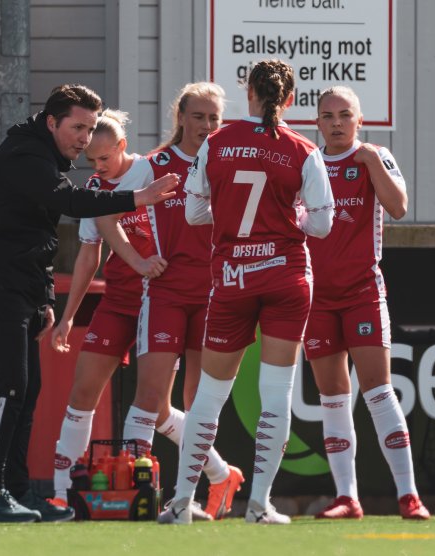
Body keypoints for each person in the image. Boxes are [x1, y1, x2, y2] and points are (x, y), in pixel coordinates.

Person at [0, 84, 177, 523]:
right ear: (51, 122)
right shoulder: (26, 156)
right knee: (11, 388)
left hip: (19, 288)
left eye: (91, 129)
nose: (85, 139)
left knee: (26, 390)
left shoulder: (46, 156)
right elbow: (69, 202)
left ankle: (17, 491)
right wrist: (138, 197)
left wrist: (44, 299)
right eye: (77, 128)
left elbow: (40, 237)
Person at [158, 59, 333, 525]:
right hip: (287, 276)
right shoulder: (303, 149)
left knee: (209, 397)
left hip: (234, 276)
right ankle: (259, 504)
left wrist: (237, 216)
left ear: (248, 94)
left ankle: (180, 504)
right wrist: (287, 216)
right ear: (290, 99)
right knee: (276, 395)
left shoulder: (215, 144)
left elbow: (195, 214)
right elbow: (322, 224)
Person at [89, 86, 246, 520]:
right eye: (198, 116)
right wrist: (138, 260)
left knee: (200, 407)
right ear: (180, 116)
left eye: (214, 118)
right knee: (150, 400)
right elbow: (105, 213)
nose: (207, 126)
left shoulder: (228, 161)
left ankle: (186, 500)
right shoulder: (153, 165)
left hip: (217, 295)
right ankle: (138, 498)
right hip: (166, 295)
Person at [305, 86, 429, 521]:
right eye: (327, 115)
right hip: (315, 299)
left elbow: (398, 206)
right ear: (316, 122)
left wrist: (373, 161)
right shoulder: (307, 161)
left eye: (345, 115)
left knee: (379, 392)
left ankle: (408, 495)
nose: (336, 123)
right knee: (333, 399)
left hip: (362, 293)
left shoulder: (376, 156)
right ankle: (346, 497)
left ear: (360, 121)